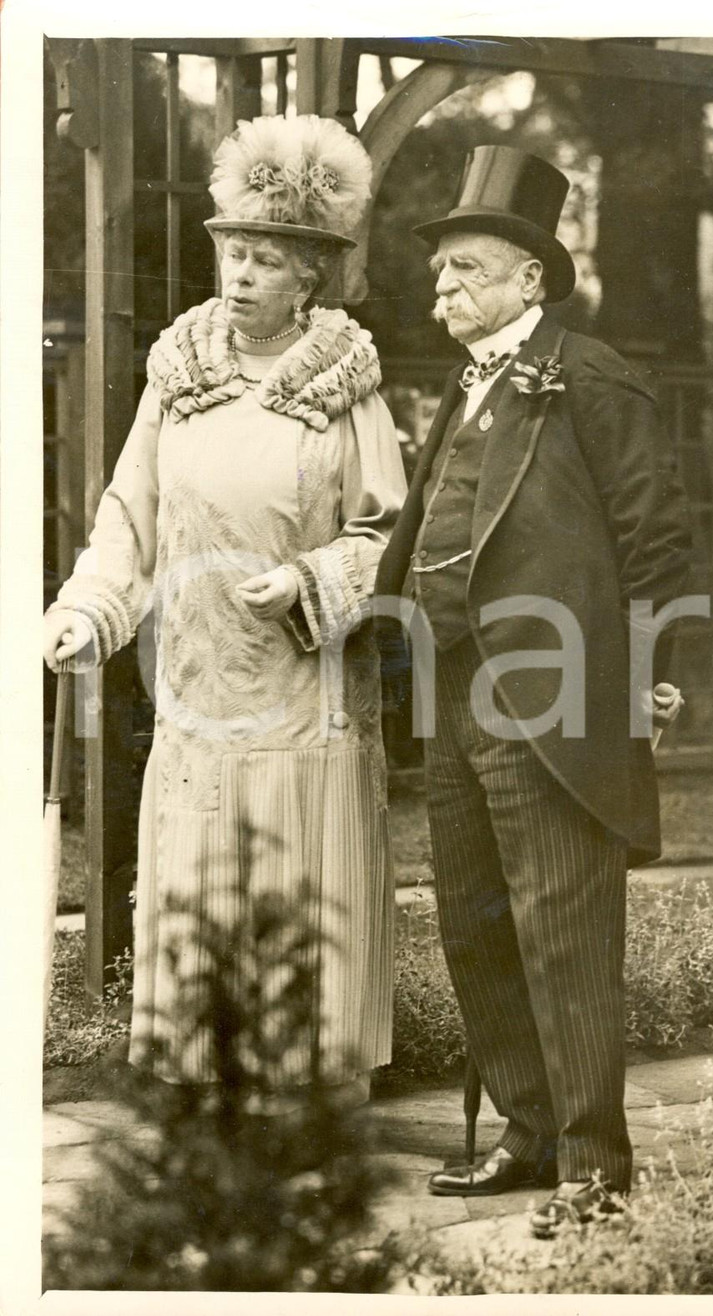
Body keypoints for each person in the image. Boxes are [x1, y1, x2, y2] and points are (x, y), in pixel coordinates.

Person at [43, 114, 407, 1098]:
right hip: (196, 685)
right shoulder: (180, 382)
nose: (241, 275)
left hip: (301, 694)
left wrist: (310, 579)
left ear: (310, 279)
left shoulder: (345, 395)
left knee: (293, 884)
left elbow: (389, 540)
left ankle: (302, 1103)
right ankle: (204, 1094)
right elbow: (129, 515)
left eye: (266, 261)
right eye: (234, 254)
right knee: (200, 882)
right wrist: (87, 606)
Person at [375, 146, 692, 1237]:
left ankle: (596, 1167)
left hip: (551, 694)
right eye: (439, 275)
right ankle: (531, 1129)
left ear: (530, 280)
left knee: (563, 924)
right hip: (452, 688)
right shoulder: (467, 389)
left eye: (465, 270)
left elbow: (655, 540)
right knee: (471, 920)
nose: (442, 291)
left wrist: (645, 674)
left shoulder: (588, 376)